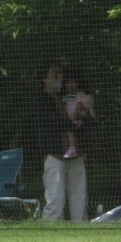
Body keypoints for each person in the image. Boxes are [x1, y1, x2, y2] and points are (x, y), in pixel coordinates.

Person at [37, 63, 88, 221]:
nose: (59, 77)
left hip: (76, 154)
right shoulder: (42, 100)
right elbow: (55, 122)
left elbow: (87, 121)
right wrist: (72, 123)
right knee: (55, 199)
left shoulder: (67, 98)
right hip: (55, 154)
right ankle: (50, 231)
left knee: (79, 198)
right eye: (54, 74)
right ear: (44, 79)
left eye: (60, 73)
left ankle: (81, 230)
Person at [60, 71, 95, 160]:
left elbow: (82, 107)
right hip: (70, 119)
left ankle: (80, 152)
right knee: (70, 132)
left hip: (80, 117)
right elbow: (64, 109)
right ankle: (73, 150)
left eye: (73, 82)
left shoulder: (80, 94)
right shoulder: (65, 97)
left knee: (79, 134)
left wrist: (75, 117)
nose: (70, 85)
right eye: (68, 83)